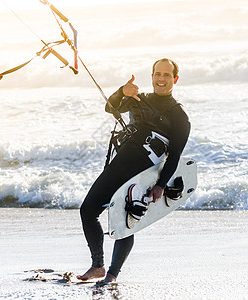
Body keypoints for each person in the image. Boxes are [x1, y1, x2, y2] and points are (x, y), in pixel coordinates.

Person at [78, 58, 191, 283]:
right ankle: (97, 265)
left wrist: (160, 185)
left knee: (124, 224)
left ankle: (112, 274)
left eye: (167, 75)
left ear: (175, 79)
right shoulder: (138, 99)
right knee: (87, 211)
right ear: (152, 77)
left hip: (140, 175)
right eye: (157, 74)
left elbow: (175, 155)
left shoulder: (180, 117)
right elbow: (111, 107)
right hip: (118, 166)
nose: (161, 79)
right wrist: (122, 91)